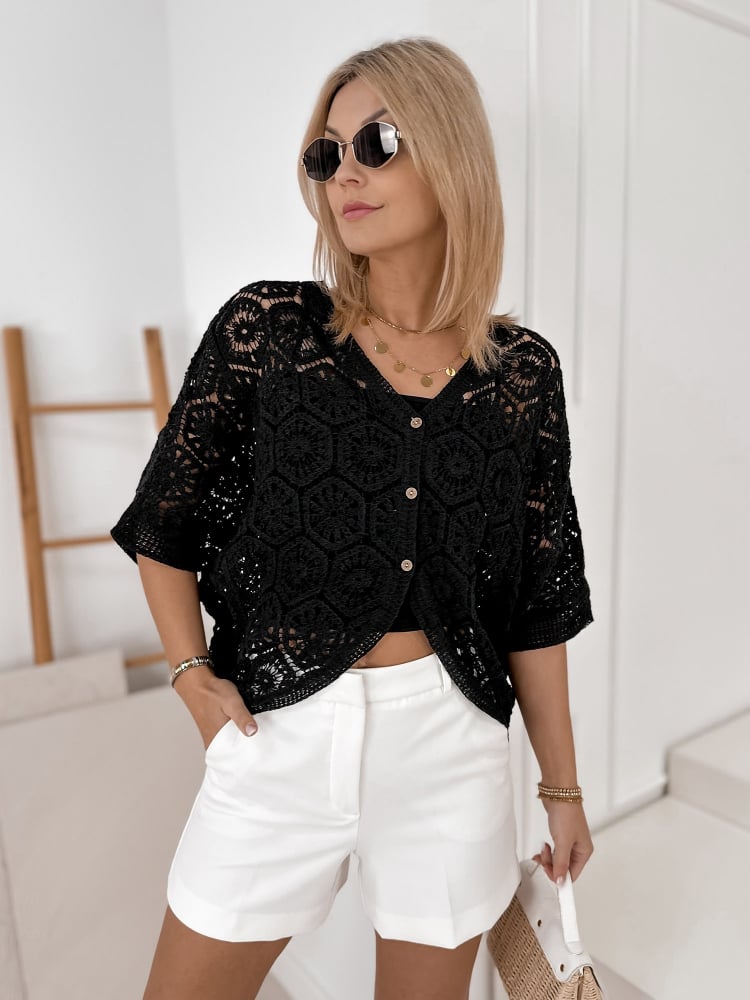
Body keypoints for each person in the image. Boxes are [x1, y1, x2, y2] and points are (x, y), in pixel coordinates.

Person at [112, 35, 595, 1000]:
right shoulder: (269, 332)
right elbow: (164, 521)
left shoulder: (522, 374)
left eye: (378, 141)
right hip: (278, 734)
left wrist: (562, 788)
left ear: (452, 153)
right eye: (326, 153)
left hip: (450, 746)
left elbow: (538, 603)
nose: (345, 174)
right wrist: (192, 678)